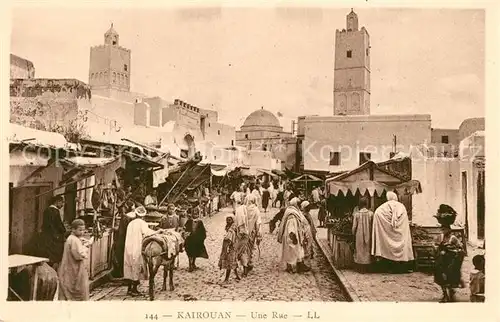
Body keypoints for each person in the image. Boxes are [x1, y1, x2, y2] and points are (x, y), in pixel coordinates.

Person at [123, 206, 163, 296]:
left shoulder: (131, 223)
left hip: (128, 247)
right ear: (143, 216)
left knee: (129, 266)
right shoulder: (142, 223)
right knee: (137, 266)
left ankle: (129, 289)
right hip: (137, 247)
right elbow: (147, 232)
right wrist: (157, 232)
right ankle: (134, 289)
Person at [371, 191, 414, 273]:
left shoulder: (383, 207)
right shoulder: (401, 206)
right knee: (402, 248)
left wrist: (385, 228)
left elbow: (377, 214)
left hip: (388, 234)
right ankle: (402, 267)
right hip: (401, 234)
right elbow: (404, 221)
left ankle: (389, 267)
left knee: (388, 248)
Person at [58, 219, 93, 301]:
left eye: (83, 230)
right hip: (74, 268)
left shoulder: (72, 238)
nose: (82, 232)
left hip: (70, 267)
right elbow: (78, 255)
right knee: (77, 289)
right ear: (73, 229)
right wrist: (86, 247)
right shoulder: (74, 240)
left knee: (67, 287)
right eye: (80, 230)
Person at [277, 197, 311, 273]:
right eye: (298, 204)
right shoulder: (292, 214)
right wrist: (293, 237)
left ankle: (298, 266)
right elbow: (291, 227)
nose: (299, 206)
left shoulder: (291, 211)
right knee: (293, 251)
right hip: (291, 236)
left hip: (292, 235)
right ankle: (293, 267)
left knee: (295, 252)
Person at [434, 222, 465, 302]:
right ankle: (444, 294)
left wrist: (452, 250)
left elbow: (460, 248)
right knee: (441, 276)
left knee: (449, 276)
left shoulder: (453, 238)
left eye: (445, 229)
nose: (443, 231)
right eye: (442, 229)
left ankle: (451, 291)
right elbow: (435, 245)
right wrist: (437, 248)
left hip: (450, 260)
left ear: (449, 230)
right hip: (441, 260)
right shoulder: (440, 237)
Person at [38, 195, 67, 270]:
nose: (63, 205)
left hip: (47, 237)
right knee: (54, 258)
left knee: (48, 257)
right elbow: (57, 225)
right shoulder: (54, 211)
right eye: (62, 202)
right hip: (53, 238)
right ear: (57, 201)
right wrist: (63, 231)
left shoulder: (47, 210)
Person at [111, 206, 135, 278]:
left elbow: (123, 230)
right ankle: (121, 272)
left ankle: (121, 273)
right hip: (123, 239)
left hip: (123, 239)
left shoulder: (125, 217)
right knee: (120, 256)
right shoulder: (125, 217)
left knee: (121, 256)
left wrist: (116, 229)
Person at [352, 197, 374, 271]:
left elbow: (354, 226)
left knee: (360, 249)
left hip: (359, 234)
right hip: (369, 233)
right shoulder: (371, 214)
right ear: (367, 204)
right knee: (367, 248)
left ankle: (360, 267)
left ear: (360, 204)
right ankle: (367, 266)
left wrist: (353, 233)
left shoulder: (357, 214)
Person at [183, 207, 208, 272]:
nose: (195, 215)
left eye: (196, 214)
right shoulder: (189, 221)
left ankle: (193, 263)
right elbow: (185, 229)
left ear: (198, 215)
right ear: (192, 215)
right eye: (194, 214)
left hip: (197, 240)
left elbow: (203, 231)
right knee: (189, 252)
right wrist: (186, 233)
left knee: (195, 252)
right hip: (190, 240)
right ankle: (190, 265)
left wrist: (202, 238)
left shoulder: (200, 222)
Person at [218, 214, 240, 283]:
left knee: (229, 262)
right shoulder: (229, 227)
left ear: (232, 220)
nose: (228, 221)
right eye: (227, 220)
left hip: (231, 246)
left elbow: (230, 238)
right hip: (228, 245)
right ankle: (237, 275)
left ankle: (226, 279)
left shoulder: (232, 228)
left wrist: (228, 245)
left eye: (229, 220)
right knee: (233, 260)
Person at [234, 200, 252, 277]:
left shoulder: (239, 211)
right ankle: (247, 266)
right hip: (245, 234)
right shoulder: (244, 209)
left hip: (242, 235)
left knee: (242, 252)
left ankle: (245, 268)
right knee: (243, 251)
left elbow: (240, 224)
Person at [245, 194, 262, 272]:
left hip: (244, 232)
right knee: (250, 247)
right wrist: (259, 235)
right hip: (252, 232)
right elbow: (258, 223)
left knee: (244, 248)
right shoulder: (256, 210)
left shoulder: (244, 209)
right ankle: (249, 262)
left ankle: (246, 262)